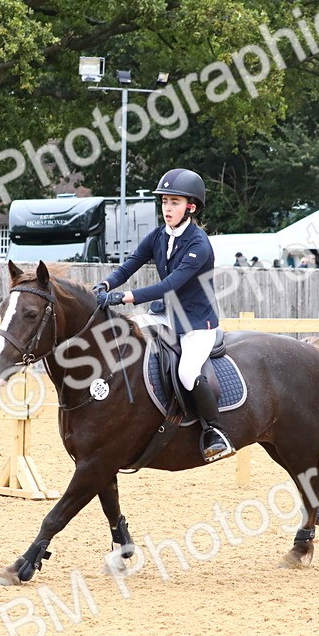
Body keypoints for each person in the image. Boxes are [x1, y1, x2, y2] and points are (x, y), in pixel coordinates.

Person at [93, 168, 234, 463]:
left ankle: (215, 432)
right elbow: (131, 263)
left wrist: (124, 297)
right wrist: (107, 283)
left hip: (196, 323)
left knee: (187, 372)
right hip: (164, 315)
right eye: (164, 202)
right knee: (126, 339)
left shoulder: (198, 244)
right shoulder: (159, 235)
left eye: (174, 203)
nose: (167, 208)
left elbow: (169, 285)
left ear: (190, 207)